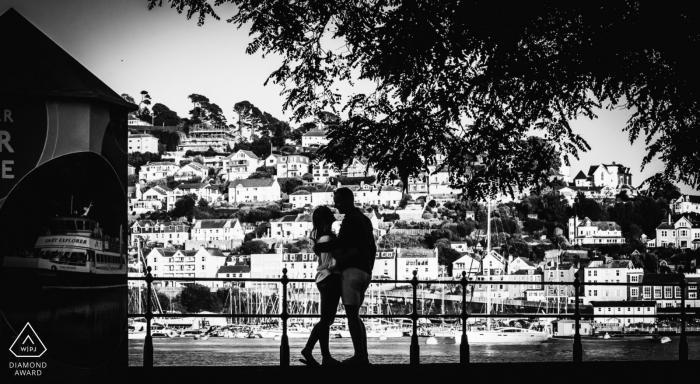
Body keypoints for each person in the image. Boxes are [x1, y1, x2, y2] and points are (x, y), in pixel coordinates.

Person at [313, 187, 377, 365]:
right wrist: (369, 268)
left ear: (348, 200)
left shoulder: (350, 220)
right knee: (356, 315)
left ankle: (358, 357)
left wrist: (321, 249)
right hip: (365, 271)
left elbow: (341, 244)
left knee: (351, 316)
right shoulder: (365, 219)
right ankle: (363, 356)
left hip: (351, 272)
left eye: (338, 201)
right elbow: (372, 248)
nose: (336, 205)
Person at [300, 206, 342, 366]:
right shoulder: (326, 238)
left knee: (327, 319)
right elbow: (329, 263)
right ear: (327, 219)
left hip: (324, 279)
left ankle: (309, 349)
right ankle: (325, 356)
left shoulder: (321, 237)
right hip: (329, 278)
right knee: (326, 320)